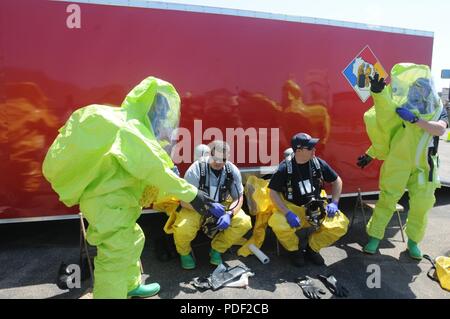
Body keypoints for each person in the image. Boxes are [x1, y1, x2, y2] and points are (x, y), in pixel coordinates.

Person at [42, 77, 221, 299]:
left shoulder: (129, 125)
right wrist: (192, 194)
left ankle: (130, 285)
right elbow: (153, 169)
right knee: (115, 257)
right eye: (160, 110)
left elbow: (136, 170)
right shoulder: (130, 129)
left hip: (113, 203)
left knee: (134, 239)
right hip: (108, 204)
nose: (162, 118)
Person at [357, 64, 448, 259]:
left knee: (421, 205)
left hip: (425, 167)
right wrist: (378, 93)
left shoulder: (438, 110)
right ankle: (375, 237)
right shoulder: (403, 107)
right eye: (415, 89)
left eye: (422, 89)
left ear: (429, 91)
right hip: (398, 162)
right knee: (387, 199)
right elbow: (385, 122)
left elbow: (440, 129)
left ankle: (413, 242)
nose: (418, 93)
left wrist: (417, 121)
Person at [268, 133, 348, 267]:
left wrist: (334, 203)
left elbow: (337, 181)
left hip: (316, 208)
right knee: (278, 224)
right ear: (298, 150)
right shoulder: (284, 169)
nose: (314, 150)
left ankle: (312, 249)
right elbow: (273, 192)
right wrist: (287, 213)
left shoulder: (318, 163)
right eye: (310, 148)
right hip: (294, 209)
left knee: (340, 225)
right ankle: (294, 251)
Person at [172, 140, 252, 269]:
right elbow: (184, 200)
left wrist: (230, 214)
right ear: (209, 154)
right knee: (183, 228)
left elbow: (239, 198)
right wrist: (208, 207)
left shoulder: (232, 170)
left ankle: (217, 249)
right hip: (195, 206)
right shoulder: (196, 169)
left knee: (244, 222)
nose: (219, 162)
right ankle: (184, 253)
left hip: (222, 205)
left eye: (223, 159)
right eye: (215, 158)